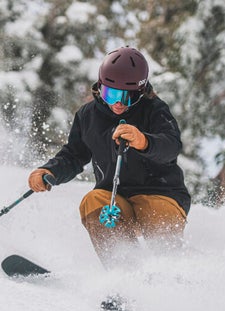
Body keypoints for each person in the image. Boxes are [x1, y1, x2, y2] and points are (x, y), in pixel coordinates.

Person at [28, 46, 191, 268]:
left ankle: (170, 275)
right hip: (116, 197)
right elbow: (75, 154)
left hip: (160, 194)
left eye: (128, 97)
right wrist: (50, 170)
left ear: (141, 91)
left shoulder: (154, 110)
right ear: (100, 87)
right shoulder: (87, 116)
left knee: (155, 213)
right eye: (111, 94)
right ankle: (124, 274)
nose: (118, 103)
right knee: (93, 201)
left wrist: (144, 141)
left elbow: (171, 145)